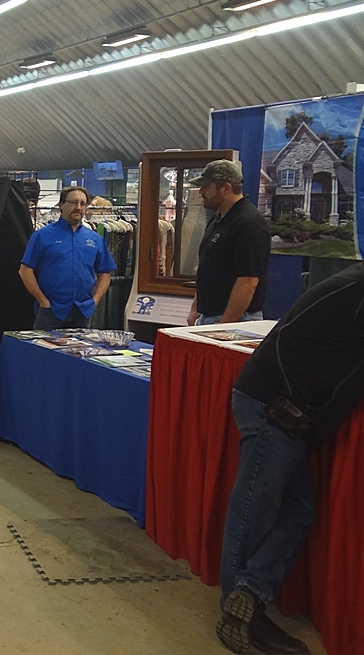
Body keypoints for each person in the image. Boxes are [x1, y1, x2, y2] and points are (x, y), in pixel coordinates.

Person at [215, 262, 364, 655]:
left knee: (298, 512)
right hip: (275, 406)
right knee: (253, 512)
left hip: (289, 411)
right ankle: (238, 617)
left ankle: (249, 591)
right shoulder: (359, 288)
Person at [18, 186, 116, 330]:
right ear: (61, 205)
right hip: (51, 312)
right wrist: (43, 301)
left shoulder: (94, 239)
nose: (78, 207)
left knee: (79, 352)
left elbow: (105, 272)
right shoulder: (42, 236)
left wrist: (95, 301)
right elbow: (25, 271)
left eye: (83, 203)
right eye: (74, 202)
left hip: (83, 312)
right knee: (44, 351)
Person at [186, 160, 271, 326]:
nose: (201, 191)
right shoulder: (219, 218)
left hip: (236, 319)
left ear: (226, 189)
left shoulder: (248, 223)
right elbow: (207, 268)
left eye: (206, 186)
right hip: (210, 316)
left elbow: (248, 281)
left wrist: (225, 325)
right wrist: (195, 308)